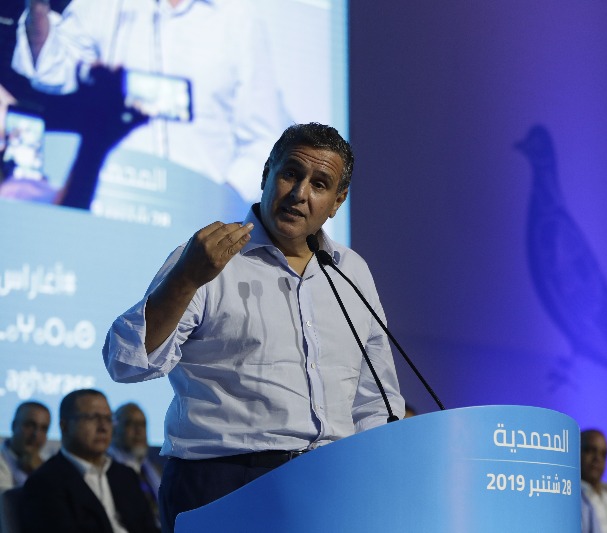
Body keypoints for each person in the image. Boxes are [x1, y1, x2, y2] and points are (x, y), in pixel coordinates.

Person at [103, 122, 404, 533]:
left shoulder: (351, 272)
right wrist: (186, 279)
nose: (299, 193)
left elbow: (375, 400)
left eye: (319, 184)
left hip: (328, 487)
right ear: (266, 174)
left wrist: (380, 481)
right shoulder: (207, 257)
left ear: (338, 201)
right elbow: (126, 362)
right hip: (223, 482)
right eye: (290, 174)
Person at [13, 0, 292, 202]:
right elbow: (50, 68)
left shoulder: (238, 16)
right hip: (115, 202)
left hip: (199, 224)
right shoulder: (104, 6)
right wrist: (38, 8)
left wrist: (222, 201)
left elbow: (264, 137)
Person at [19, 389, 159, 533]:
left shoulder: (125, 475)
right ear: (64, 426)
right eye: (93, 418)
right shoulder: (44, 483)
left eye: (108, 419)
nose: (103, 428)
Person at [108, 402, 162, 529]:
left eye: (143, 424)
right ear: (114, 430)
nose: (139, 430)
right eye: (129, 424)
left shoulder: (155, 468)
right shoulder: (108, 469)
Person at [0, 401, 50, 492]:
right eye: (30, 425)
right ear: (14, 425)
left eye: (43, 429)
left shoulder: (49, 463)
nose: (36, 434)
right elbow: (5, 499)